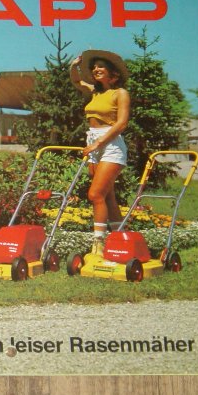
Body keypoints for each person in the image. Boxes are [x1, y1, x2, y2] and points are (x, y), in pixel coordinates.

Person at [69, 50, 131, 252]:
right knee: (107, 196)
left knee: (95, 194)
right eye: (94, 67)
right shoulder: (94, 92)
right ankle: (122, 237)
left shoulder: (120, 93)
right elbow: (76, 81)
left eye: (101, 66)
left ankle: (98, 241)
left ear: (113, 73)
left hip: (110, 144)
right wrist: (74, 66)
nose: (96, 69)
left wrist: (98, 143)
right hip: (94, 141)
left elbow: (121, 123)